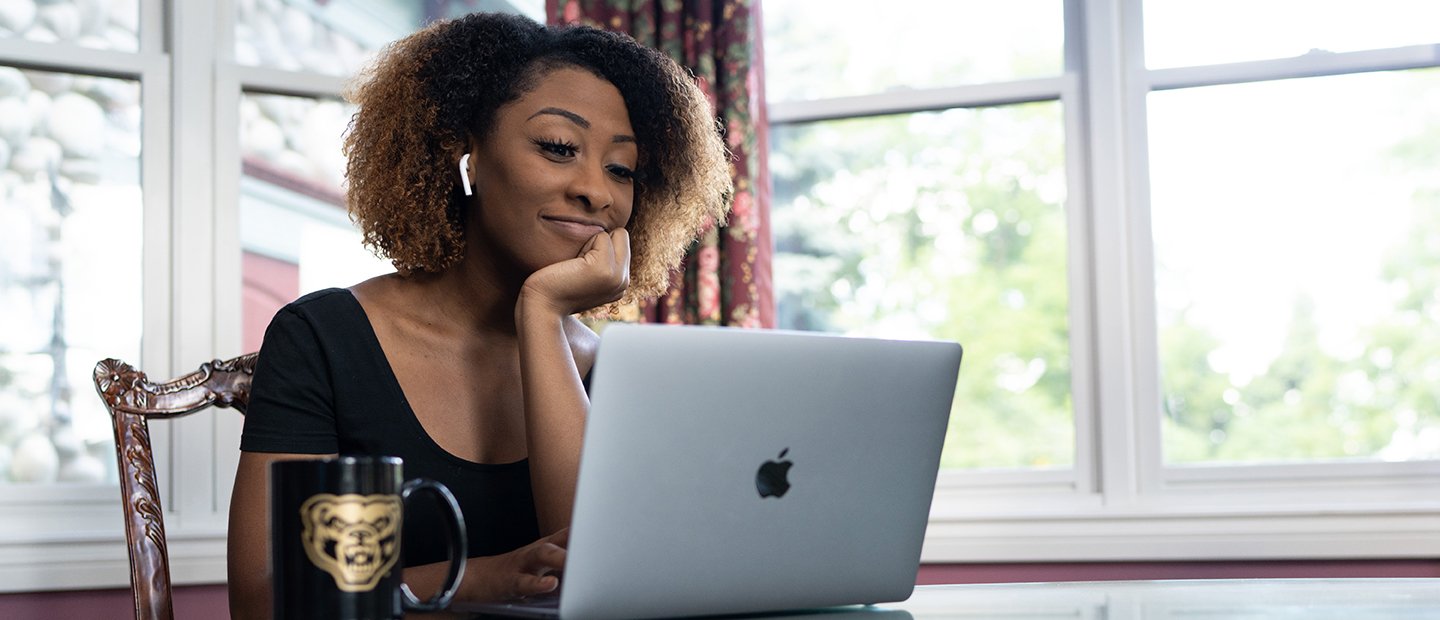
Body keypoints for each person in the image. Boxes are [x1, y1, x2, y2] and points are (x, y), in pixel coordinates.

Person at [226, 11, 731, 618]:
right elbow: (264, 600)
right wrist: (487, 578)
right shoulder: (326, 340)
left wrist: (541, 314)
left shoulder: (616, 373)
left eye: (622, 169)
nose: (596, 191)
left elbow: (597, 588)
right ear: (467, 153)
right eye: (558, 148)